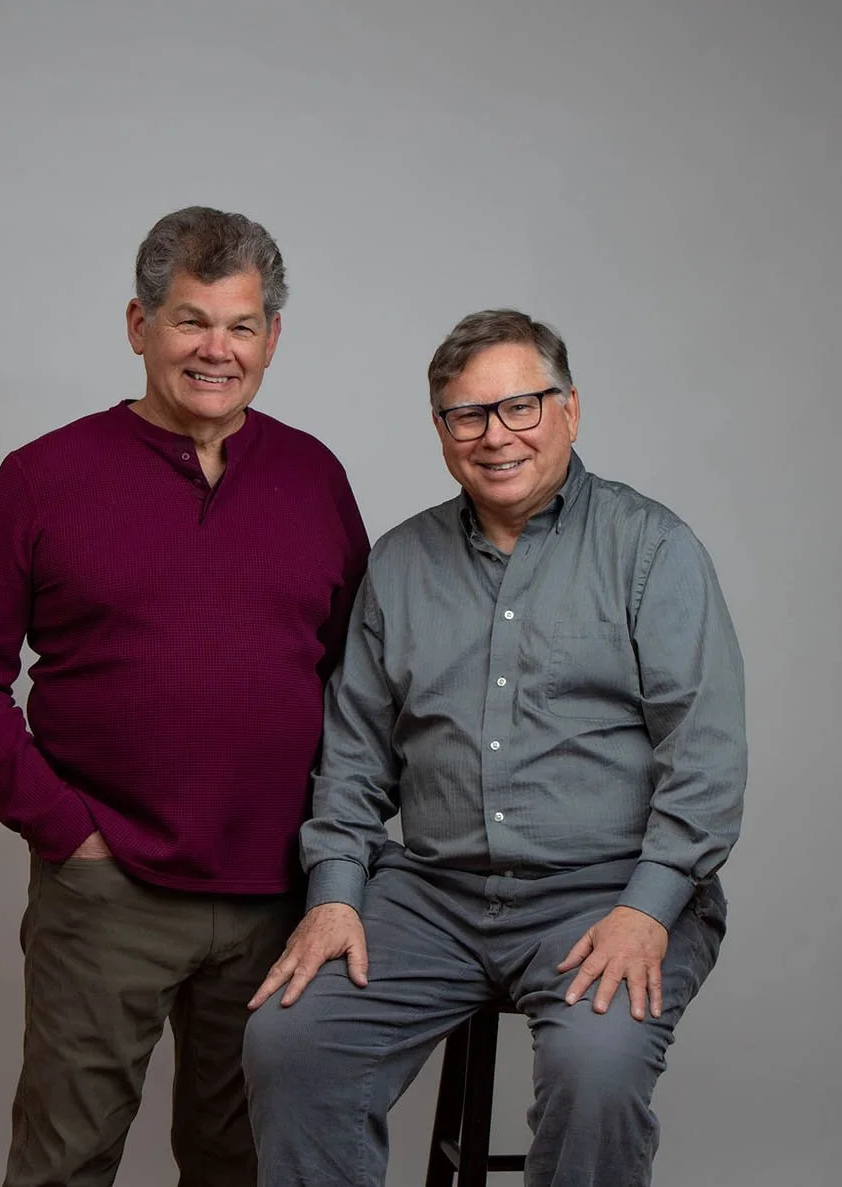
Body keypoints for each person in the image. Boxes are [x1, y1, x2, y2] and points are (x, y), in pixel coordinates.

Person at [243, 309, 746, 1187]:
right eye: (466, 415)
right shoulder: (398, 565)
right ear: (441, 431)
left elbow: (705, 759)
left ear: (570, 410)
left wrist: (647, 907)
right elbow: (354, 761)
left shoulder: (651, 550)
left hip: (607, 891)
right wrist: (334, 894)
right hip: (431, 895)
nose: (495, 435)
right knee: (291, 1040)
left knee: (596, 1069)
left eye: (521, 406)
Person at [0, 206, 369, 1187]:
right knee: (66, 1158)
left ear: (271, 337)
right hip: (107, 887)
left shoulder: (314, 476)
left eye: (241, 325)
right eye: (189, 320)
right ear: (139, 325)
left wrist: (336, 854)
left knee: (241, 1159)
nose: (216, 349)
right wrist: (65, 829)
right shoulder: (42, 478)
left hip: (275, 893)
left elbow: (358, 684)